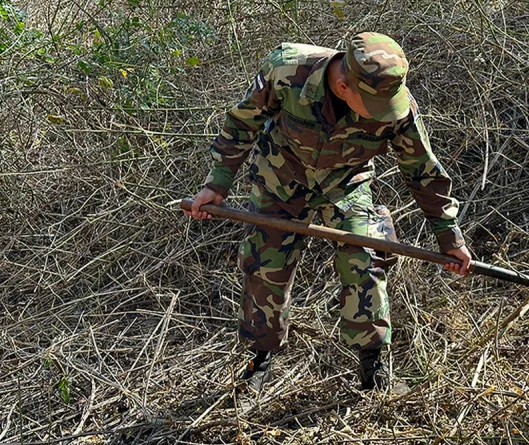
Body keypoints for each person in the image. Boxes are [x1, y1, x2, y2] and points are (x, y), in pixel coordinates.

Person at [184, 32, 471, 392]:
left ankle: (373, 365)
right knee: (266, 266)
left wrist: (449, 237)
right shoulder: (287, 68)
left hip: (345, 184)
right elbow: (244, 122)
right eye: (375, 105)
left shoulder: (395, 103)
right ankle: (261, 359)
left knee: (365, 257)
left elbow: (422, 170)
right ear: (342, 85)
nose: (385, 112)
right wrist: (218, 183)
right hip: (281, 179)